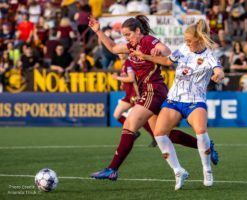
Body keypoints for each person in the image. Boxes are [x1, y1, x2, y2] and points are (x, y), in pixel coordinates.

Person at [88, 15, 218, 186]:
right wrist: (98, 31)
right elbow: (112, 48)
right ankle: (208, 146)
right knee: (164, 134)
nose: (126, 38)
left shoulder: (149, 41)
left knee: (129, 125)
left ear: (138, 31)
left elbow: (167, 52)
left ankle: (112, 169)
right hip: (151, 92)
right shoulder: (132, 46)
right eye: (124, 35)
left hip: (153, 90)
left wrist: (158, 51)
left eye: (128, 34)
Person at [131, 18, 224, 189]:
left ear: (199, 39)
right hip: (174, 100)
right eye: (185, 40)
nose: (186, 43)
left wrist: (218, 75)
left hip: (194, 101)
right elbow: (167, 61)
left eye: (189, 40)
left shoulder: (209, 55)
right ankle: (178, 171)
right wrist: (145, 57)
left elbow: (219, 70)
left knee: (201, 131)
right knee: (159, 133)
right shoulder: (183, 49)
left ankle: (207, 169)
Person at [112, 54, 157, 147]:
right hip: (128, 95)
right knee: (116, 115)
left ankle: (154, 137)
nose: (120, 54)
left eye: (122, 52)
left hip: (134, 94)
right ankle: (134, 132)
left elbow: (132, 78)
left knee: (141, 119)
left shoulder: (128, 62)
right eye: (119, 53)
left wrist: (117, 78)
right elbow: (128, 78)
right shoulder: (123, 63)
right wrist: (122, 83)